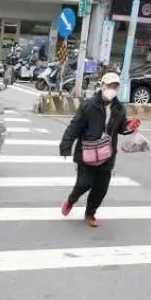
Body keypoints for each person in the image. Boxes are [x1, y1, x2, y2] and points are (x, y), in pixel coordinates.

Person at [59, 72, 134, 227]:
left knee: (101, 188)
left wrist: (130, 127)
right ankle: (71, 200)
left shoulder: (119, 109)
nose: (112, 89)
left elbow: (121, 128)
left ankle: (90, 214)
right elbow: (75, 126)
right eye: (109, 86)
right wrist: (66, 146)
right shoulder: (89, 105)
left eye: (115, 86)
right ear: (102, 86)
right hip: (87, 152)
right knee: (84, 183)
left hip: (107, 154)